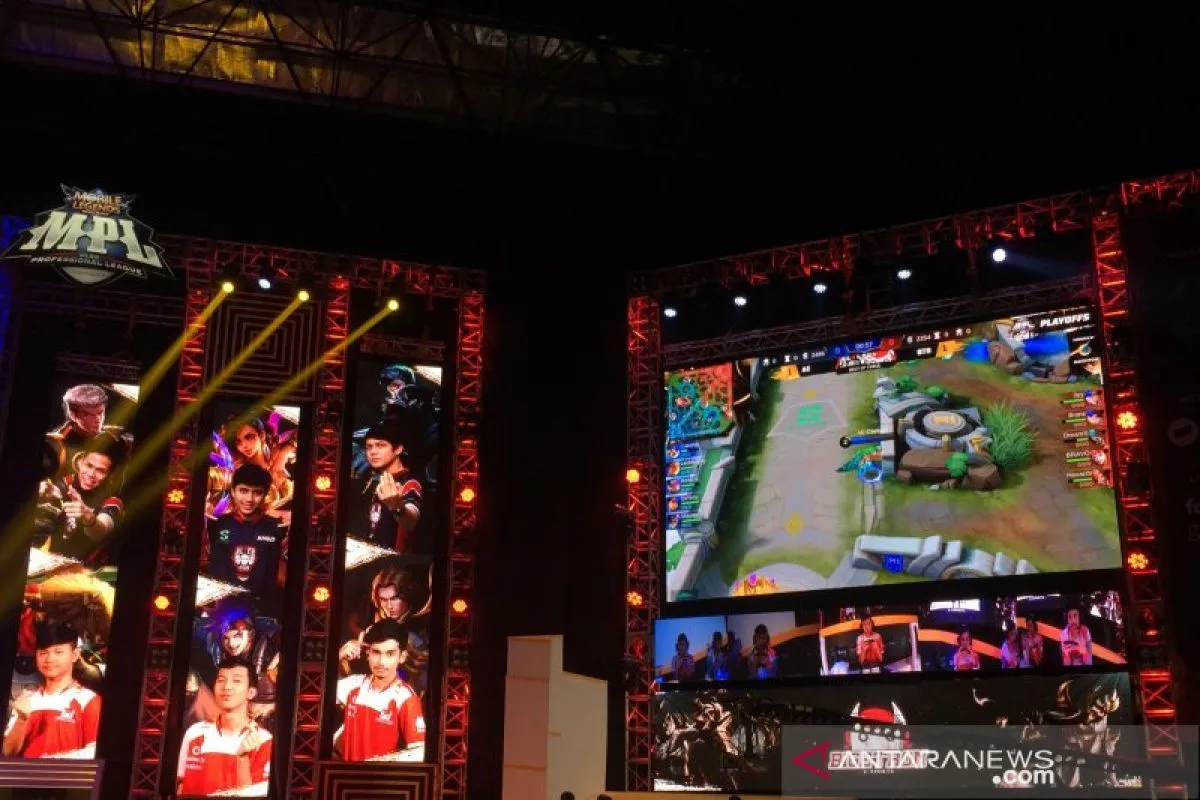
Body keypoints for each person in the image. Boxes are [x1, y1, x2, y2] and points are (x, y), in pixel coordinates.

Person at [177, 657, 273, 797]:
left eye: (236, 681)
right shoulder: (194, 733)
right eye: (221, 680)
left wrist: (242, 758)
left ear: (251, 693)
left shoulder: (264, 741)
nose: (227, 687)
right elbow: (180, 785)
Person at [3, 622, 100, 758]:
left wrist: (51, 762)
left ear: (75, 655)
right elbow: (8, 753)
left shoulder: (88, 700)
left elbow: (94, 751)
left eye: (58, 652)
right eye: (43, 653)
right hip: (25, 772)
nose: (49, 659)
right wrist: (21, 719)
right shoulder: (25, 700)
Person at [334, 619, 426, 762]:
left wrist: (380, 763)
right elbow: (315, 690)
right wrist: (338, 656)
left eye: (390, 654)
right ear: (368, 653)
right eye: (376, 652)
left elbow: (420, 751)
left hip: (381, 775)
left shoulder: (405, 697)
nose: (381, 662)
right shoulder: (354, 685)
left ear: (402, 657)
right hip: (344, 775)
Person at [207, 465, 286, 618]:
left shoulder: (277, 528)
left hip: (263, 612)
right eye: (243, 491)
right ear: (233, 491)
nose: (249, 499)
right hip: (220, 609)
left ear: (265, 494)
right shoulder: (216, 525)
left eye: (257, 492)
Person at [34, 433, 126, 563]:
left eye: (100, 471)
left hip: (88, 570)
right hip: (53, 561)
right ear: (81, 461)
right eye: (89, 465)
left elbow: (101, 530)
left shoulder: (113, 500)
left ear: (110, 474)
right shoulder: (65, 483)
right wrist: (37, 495)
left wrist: (88, 518)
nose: (91, 474)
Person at [347, 424, 422, 553]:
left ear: (398, 449)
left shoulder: (409, 483)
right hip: (360, 556)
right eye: (369, 447)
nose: (373, 452)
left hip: (390, 561)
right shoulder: (368, 478)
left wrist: (398, 507)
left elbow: (411, 522)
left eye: (380, 445)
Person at [45, 384, 130, 483]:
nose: (98, 419)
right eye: (88, 414)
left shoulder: (112, 437)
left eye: (100, 412)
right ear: (73, 415)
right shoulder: (55, 445)